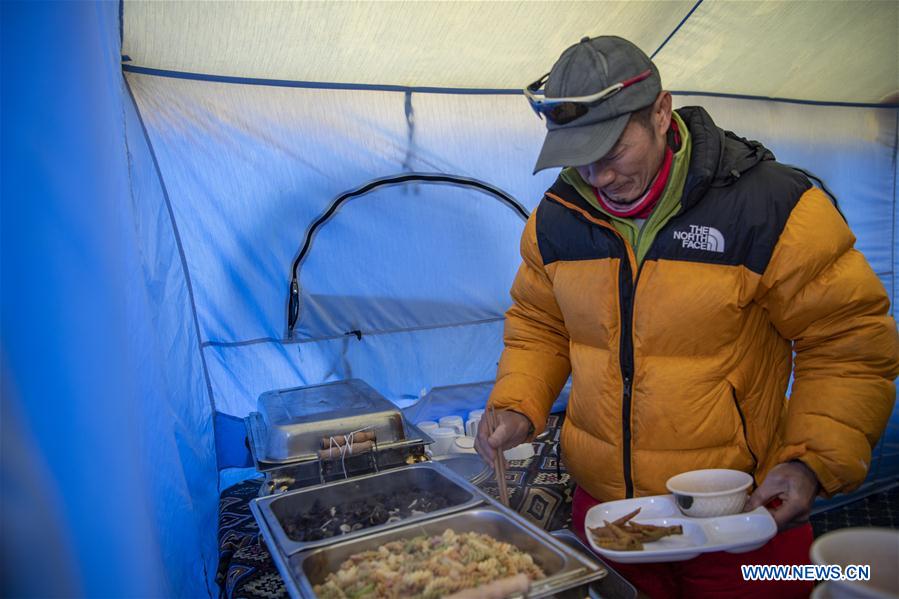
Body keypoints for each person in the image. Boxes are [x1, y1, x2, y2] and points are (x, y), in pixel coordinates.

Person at [475, 35, 899, 598]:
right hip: (608, 517)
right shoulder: (556, 218)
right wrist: (517, 403)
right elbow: (540, 324)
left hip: (740, 519)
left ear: (660, 111)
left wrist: (812, 463)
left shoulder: (773, 206)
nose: (597, 178)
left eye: (611, 151)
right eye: (579, 157)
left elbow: (848, 341)